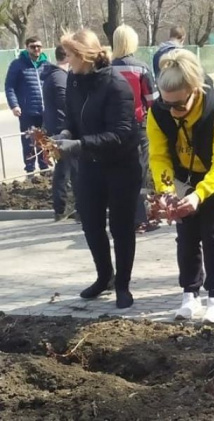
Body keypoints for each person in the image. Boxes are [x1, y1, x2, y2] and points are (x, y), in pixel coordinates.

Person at [148, 49, 214, 324]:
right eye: (166, 104)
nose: (171, 111)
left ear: (194, 90)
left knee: (212, 233)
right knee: (186, 235)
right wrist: (166, 193)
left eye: (178, 105)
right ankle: (190, 294)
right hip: (182, 177)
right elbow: (159, 156)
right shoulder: (158, 112)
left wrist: (199, 196)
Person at [54, 29, 142, 309]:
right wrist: (66, 132)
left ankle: (123, 286)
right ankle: (105, 276)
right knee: (91, 225)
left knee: (121, 227)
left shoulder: (116, 85)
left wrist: (78, 144)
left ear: (83, 56)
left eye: (69, 55)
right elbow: (71, 114)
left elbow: (120, 133)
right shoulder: (74, 79)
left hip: (121, 166)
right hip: (89, 166)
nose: (65, 60)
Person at [111, 24, 159, 234]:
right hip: (138, 128)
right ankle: (140, 219)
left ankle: (120, 218)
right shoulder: (141, 68)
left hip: (113, 130)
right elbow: (152, 100)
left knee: (118, 174)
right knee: (140, 173)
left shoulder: (106, 69)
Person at [5, 36, 50, 176]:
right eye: (33, 46)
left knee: (44, 141)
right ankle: (30, 171)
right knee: (29, 142)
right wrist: (14, 105)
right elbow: (9, 86)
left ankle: (45, 169)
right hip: (27, 111)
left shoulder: (46, 64)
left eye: (38, 46)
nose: (36, 49)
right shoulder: (17, 64)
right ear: (27, 47)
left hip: (44, 111)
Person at [42, 45, 77, 222]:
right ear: (68, 57)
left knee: (65, 169)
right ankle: (62, 208)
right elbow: (67, 105)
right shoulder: (59, 78)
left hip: (56, 128)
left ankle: (63, 208)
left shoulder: (54, 76)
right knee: (65, 170)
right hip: (61, 130)